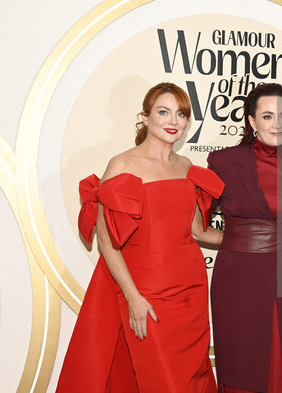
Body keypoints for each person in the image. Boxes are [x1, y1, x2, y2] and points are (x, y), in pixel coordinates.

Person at [56, 82, 223, 393]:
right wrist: (133, 298)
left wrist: (253, 236)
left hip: (191, 290)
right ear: (145, 118)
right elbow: (107, 242)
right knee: (163, 382)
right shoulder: (122, 165)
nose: (174, 121)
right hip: (148, 290)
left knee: (191, 379)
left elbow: (198, 231)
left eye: (181, 114)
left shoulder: (185, 166)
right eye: (164, 112)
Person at [207, 83, 282, 393]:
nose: (277, 124)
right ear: (252, 121)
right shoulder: (222, 163)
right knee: (242, 356)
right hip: (239, 275)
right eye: (268, 116)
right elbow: (194, 219)